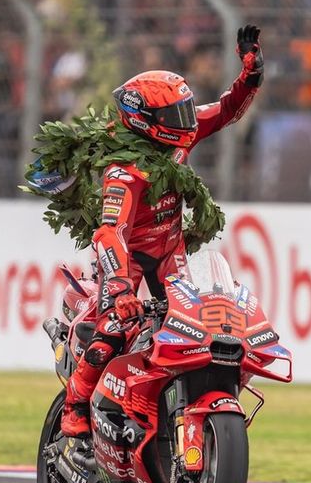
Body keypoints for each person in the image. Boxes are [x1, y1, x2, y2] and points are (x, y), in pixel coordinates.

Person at [59, 25, 264, 442]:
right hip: (129, 260)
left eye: (186, 112)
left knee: (203, 325)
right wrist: (119, 288)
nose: (188, 122)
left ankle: (178, 402)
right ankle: (75, 407)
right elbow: (109, 233)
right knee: (112, 329)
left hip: (171, 251)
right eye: (176, 115)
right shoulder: (123, 173)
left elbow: (224, 110)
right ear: (146, 121)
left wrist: (250, 76)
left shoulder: (178, 138)